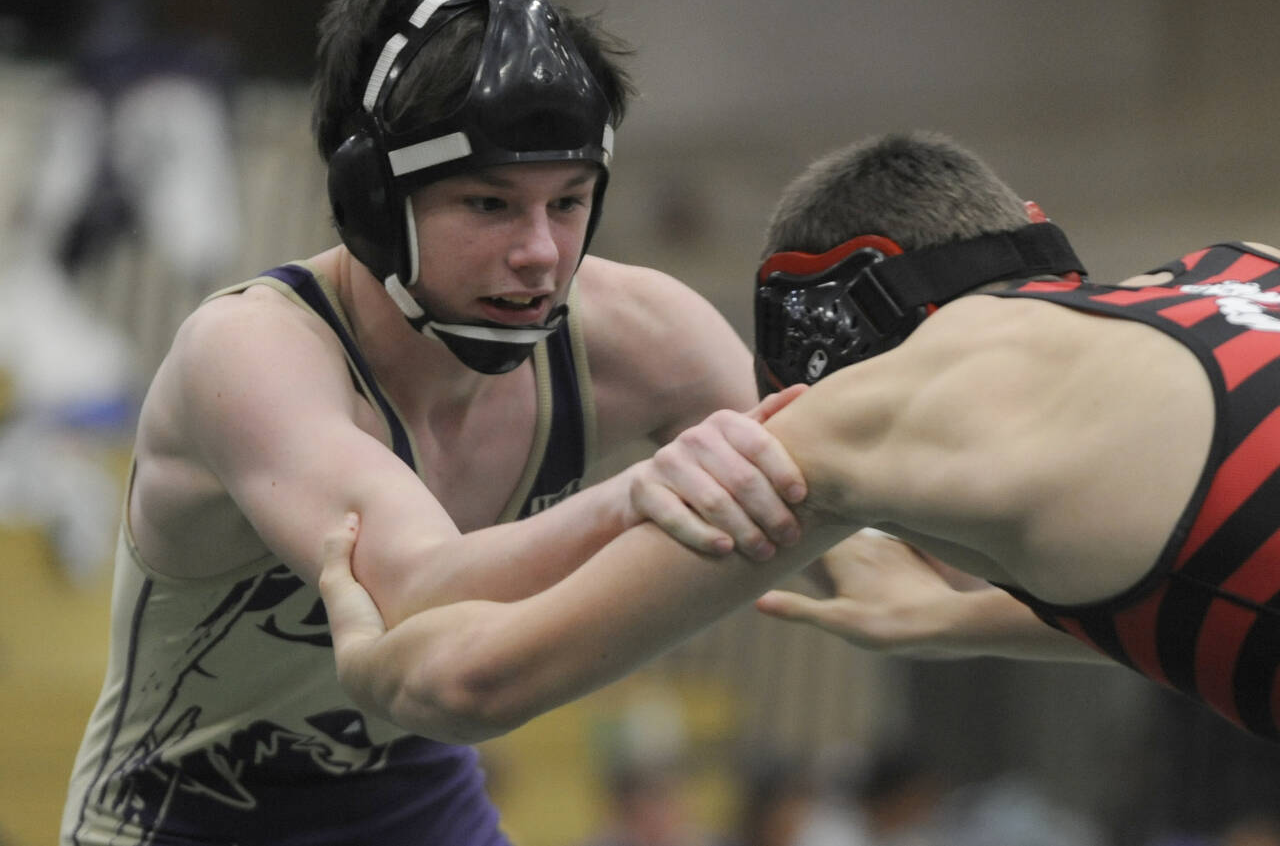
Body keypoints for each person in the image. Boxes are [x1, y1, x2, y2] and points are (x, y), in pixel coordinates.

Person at [59, 0, 810, 844]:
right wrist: (632, 497)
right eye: (490, 205)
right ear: (373, 202)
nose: (540, 251)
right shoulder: (250, 351)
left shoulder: (637, 333)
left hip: (420, 802)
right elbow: (417, 590)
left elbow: (842, 499)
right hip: (178, 815)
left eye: (568, 201)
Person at [318, 129, 1280, 755]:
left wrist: (367, 664)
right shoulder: (1241, 265)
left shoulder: (876, 408)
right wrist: (968, 618)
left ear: (835, 344)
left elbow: (480, 679)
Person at [741, 130, 1280, 742]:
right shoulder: (1245, 267)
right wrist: (954, 619)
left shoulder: (911, 394)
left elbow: (671, 358)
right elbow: (1215, 572)